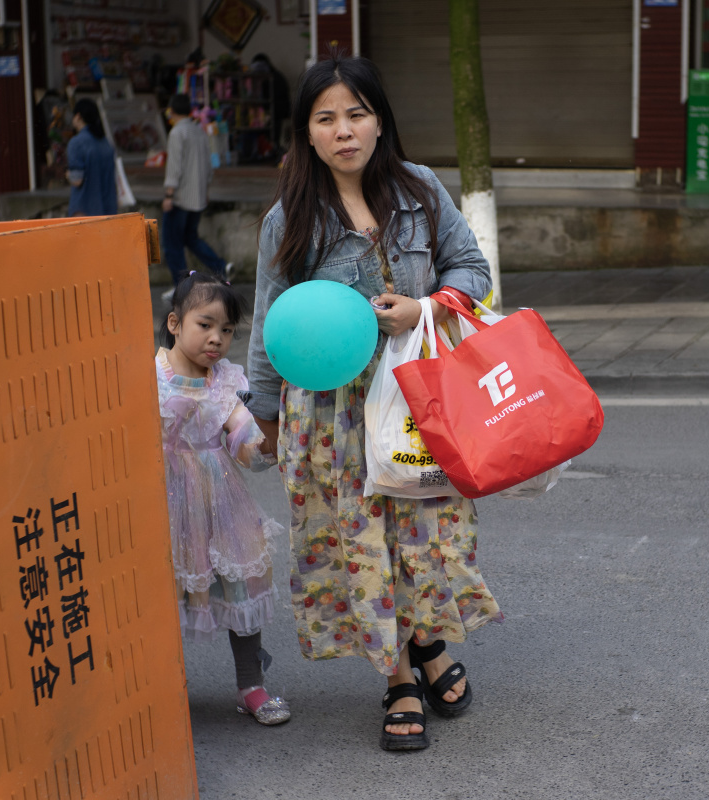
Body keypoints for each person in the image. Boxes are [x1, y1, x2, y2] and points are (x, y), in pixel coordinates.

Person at [247, 53, 501, 752]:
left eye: (356, 114)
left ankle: (428, 642)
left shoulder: (421, 189)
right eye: (325, 118)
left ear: (380, 121)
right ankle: (397, 677)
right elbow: (269, 325)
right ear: (306, 132)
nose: (343, 130)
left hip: (417, 398)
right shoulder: (288, 218)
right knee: (360, 543)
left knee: (423, 531)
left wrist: (424, 307)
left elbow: (472, 270)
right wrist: (263, 417)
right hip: (332, 416)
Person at [155, 271, 290, 726]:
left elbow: (242, 434)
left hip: (220, 499)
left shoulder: (226, 381)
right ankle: (162, 687)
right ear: (175, 323)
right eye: (205, 324)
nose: (217, 338)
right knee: (162, 592)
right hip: (165, 501)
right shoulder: (150, 374)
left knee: (242, 581)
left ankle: (251, 684)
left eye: (227, 329)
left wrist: (263, 442)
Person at [160, 94, 233, 304]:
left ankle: (181, 286)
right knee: (191, 238)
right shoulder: (199, 131)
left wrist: (169, 194)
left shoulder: (177, 133)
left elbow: (174, 167)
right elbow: (208, 165)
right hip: (198, 197)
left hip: (180, 198)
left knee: (172, 244)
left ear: (172, 111)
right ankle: (221, 266)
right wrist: (205, 189)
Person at [66, 98, 118, 217]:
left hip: (84, 211)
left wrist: (68, 174)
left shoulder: (76, 143)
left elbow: (77, 180)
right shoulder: (106, 143)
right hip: (108, 210)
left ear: (78, 116)